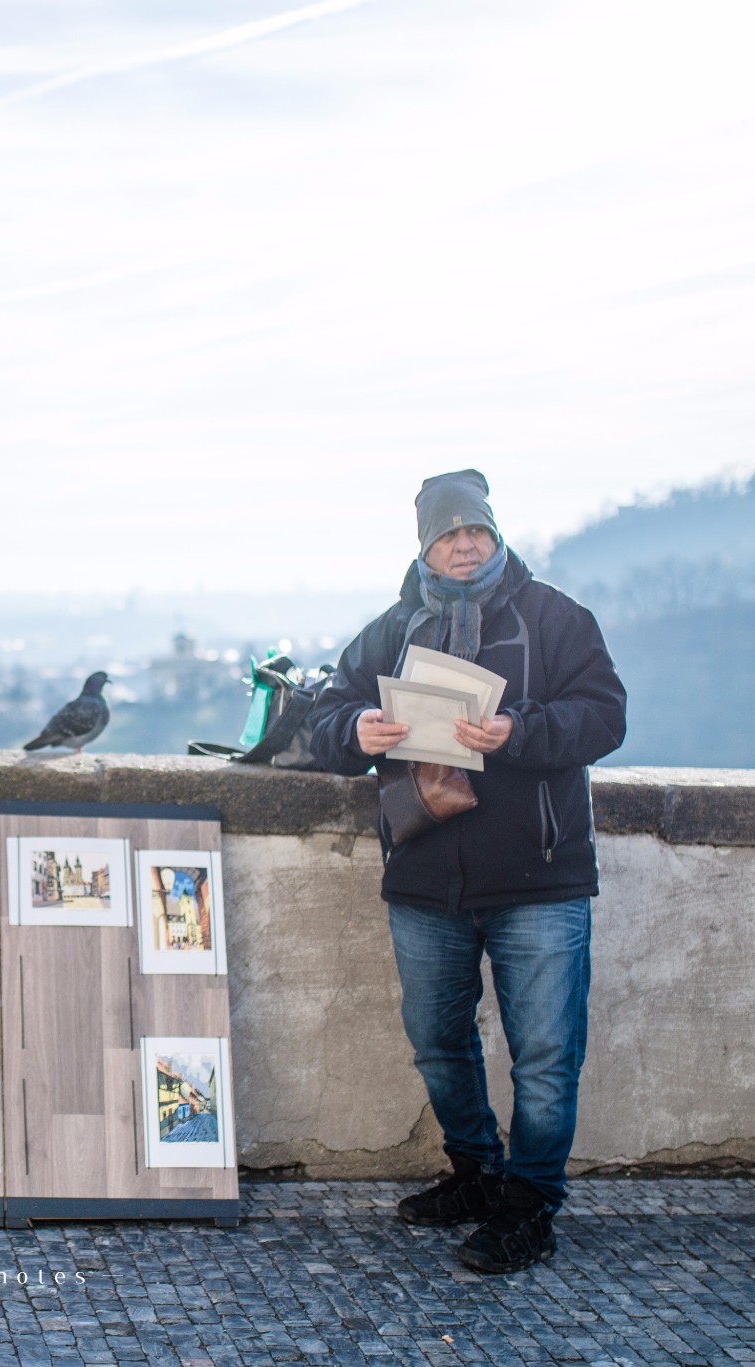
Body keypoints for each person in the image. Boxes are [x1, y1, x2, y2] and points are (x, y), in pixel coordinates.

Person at [306, 469, 627, 1274]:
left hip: (539, 877)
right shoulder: (391, 628)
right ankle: (476, 1176)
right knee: (438, 1042)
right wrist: (360, 732)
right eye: (449, 533)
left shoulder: (555, 617)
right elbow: (324, 719)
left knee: (547, 1054)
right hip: (426, 878)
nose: (465, 544)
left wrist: (517, 730)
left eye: (476, 530)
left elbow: (606, 714)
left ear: (495, 532)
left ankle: (530, 1208)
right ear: (426, 544)